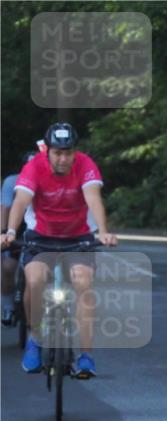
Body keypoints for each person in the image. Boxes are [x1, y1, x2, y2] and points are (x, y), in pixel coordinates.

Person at [0, 124, 118, 377]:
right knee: (34, 280)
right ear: (48, 152)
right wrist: (10, 231)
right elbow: (20, 200)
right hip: (41, 237)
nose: (63, 159)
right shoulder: (34, 167)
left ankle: (86, 356)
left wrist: (103, 231)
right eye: (57, 153)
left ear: (74, 151)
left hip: (77, 237)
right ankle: (35, 337)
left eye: (68, 153)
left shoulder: (85, 164)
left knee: (83, 284)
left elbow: (93, 197)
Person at [0, 152, 35, 326]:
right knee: (7, 267)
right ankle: (8, 306)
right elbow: (5, 208)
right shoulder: (11, 181)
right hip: (17, 227)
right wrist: (4, 232)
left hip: (38, 227)